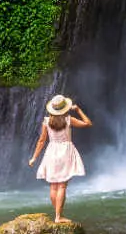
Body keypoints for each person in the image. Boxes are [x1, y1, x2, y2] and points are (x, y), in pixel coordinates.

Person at [28, 94, 91, 223]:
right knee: (62, 186)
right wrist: (78, 109)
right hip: (66, 152)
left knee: (53, 186)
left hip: (52, 152)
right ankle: (58, 217)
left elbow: (41, 141)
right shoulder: (69, 120)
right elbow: (87, 123)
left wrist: (34, 158)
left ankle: (57, 214)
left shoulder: (46, 122)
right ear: (65, 108)